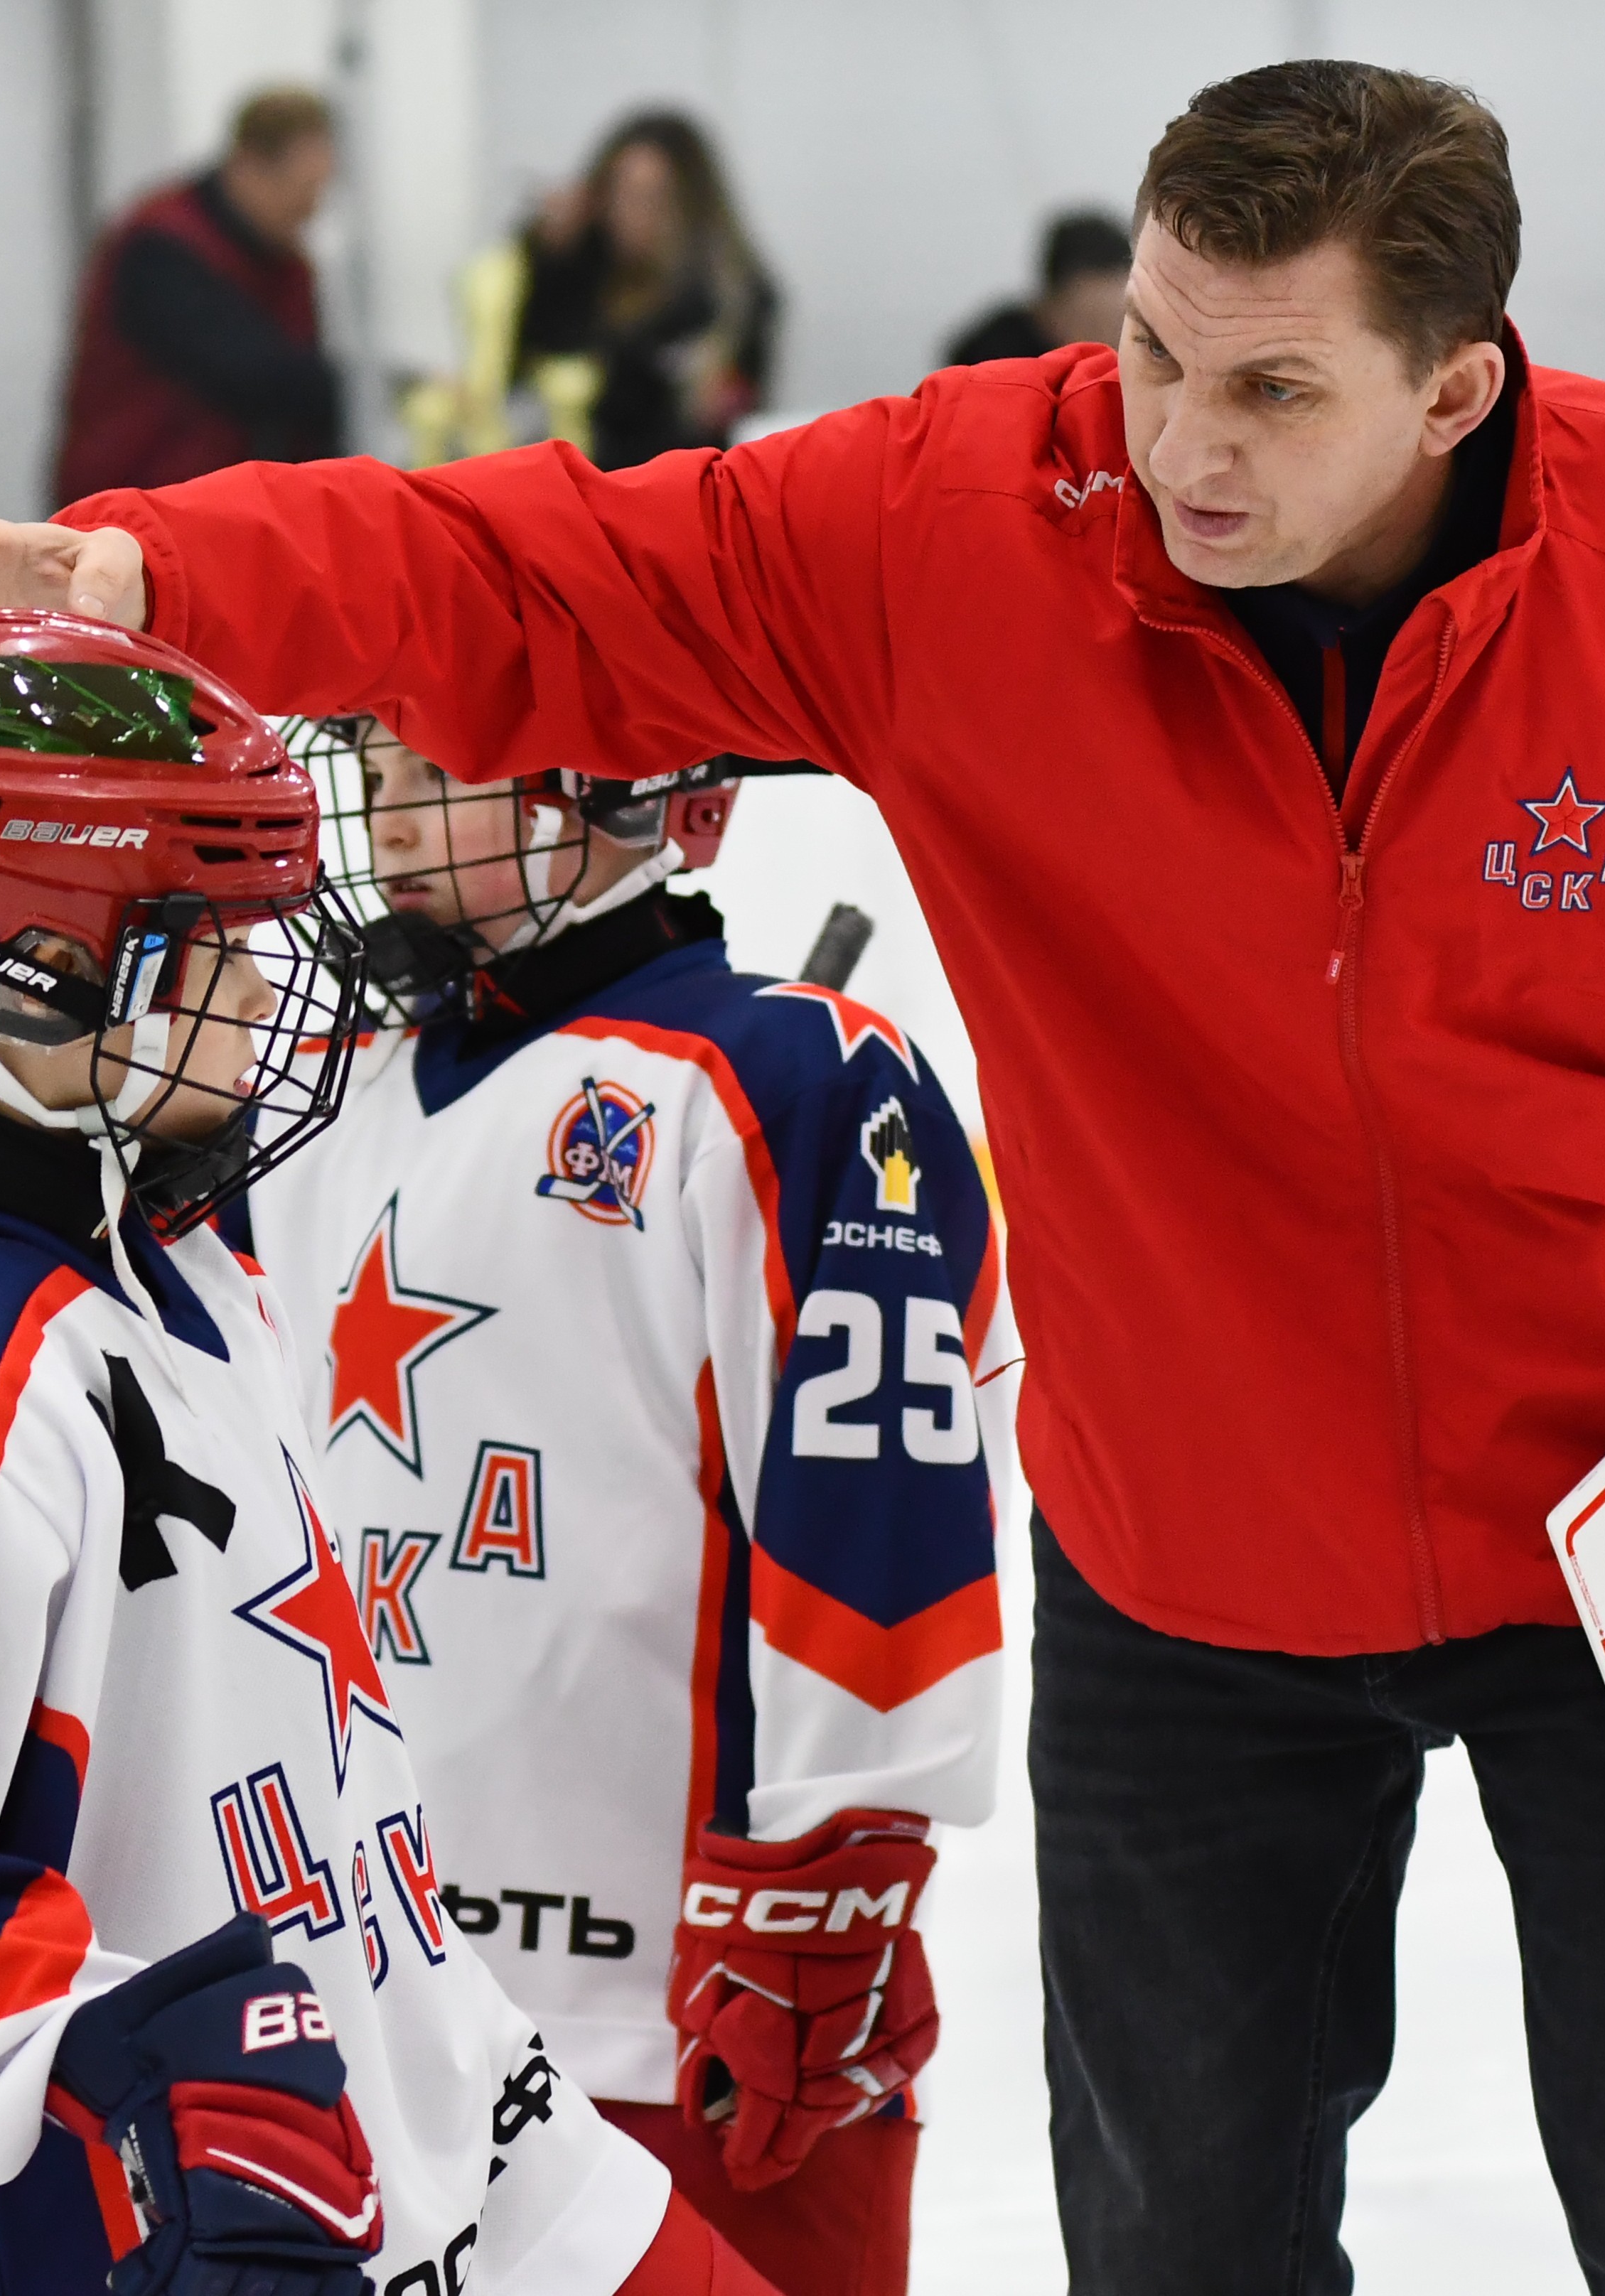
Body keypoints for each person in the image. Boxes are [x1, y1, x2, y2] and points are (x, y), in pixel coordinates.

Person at [0, 55, 1605, 2296]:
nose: (1173, 445)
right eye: (1149, 352)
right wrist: (163, 574)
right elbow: (549, 573)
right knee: (1177, 2244)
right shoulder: (967, 530)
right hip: (1191, 1563)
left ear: (1454, 393)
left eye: (1269, 393)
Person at [0, 609, 778, 2294]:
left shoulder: (179, 1254)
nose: (264, 999)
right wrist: (139, 2066)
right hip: (149, 2241)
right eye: (198, 950)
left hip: (469, 2145)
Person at [230, 723, 1010, 2295]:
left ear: (620, 789)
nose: (375, 803)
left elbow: (880, 1515)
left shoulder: (792, 1075)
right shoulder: (325, 1090)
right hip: (377, 2010)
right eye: (367, 754)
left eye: (428, 753)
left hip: (685, 2020)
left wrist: (827, 1874)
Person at [48, 86, 343, 506]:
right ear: (249, 166)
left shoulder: (285, 264)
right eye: (305, 190)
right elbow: (251, 373)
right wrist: (377, 391)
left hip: (216, 514)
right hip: (129, 509)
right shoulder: (160, 247)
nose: (311, 211)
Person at [517, 112, 780, 466]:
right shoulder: (586, 274)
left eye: (651, 197)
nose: (628, 213)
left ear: (688, 206)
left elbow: (708, 433)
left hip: (674, 496)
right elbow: (526, 366)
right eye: (617, 193)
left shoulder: (730, 302)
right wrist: (550, 254)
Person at [943, 210, 1132, 370]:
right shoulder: (994, 363)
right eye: (1092, 325)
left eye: (1119, 325)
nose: (1109, 344)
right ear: (1051, 307)